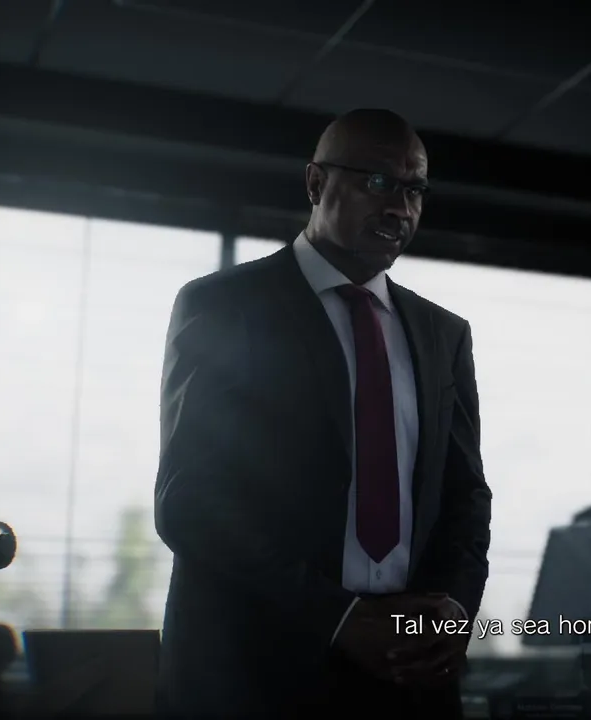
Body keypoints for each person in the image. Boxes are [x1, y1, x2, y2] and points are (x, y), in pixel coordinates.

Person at [154, 108, 492, 717]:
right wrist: (339, 617)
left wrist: (454, 612)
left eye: (415, 190)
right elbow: (190, 501)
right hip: (257, 670)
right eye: (378, 182)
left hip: (408, 676)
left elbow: (465, 496)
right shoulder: (225, 305)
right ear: (315, 183)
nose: (400, 208)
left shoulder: (444, 335)